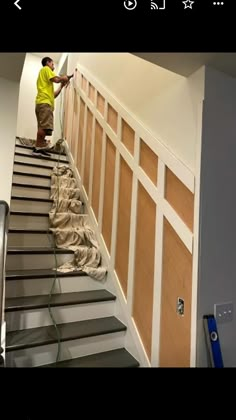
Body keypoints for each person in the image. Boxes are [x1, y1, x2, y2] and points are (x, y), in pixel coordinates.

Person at [33, 56, 71, 157]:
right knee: (44, 126)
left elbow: (53, 95)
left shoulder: (44, 79)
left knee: (43, 126)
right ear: (48, 62)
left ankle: (39, 148)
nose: (53, 66)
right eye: (53, 64)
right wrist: (64, 77)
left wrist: (61, 86)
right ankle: (39, 145)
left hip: (42, 102)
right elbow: (56, 79)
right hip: (44, 103)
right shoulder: (46, 69)